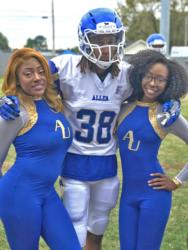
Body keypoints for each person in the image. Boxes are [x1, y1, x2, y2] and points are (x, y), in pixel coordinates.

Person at [0, 8, 181, 250]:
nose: (107, 47)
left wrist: (173, 99)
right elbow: (34, 73)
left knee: (99, 223)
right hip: (74, 161)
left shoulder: (127, 74)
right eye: (99, 40)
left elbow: (154, 88)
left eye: (112, 40)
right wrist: (8, 96)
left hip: (106, 161)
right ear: (85, 40)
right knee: (74, 223)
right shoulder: (66, 66)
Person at [0, 48, 81, 250]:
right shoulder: (14, 112)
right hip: (19, 195)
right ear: (17, 79)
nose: (37, 78)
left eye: (41, 71)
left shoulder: (54, 103)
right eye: (28, 74)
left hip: (47, 193)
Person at [117, 49, 188, 250]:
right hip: (128, 195)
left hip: (154, 195)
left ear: (169, 83)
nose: (153, 83)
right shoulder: (123, 107)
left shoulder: (166, 114)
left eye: (160, 79)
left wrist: (176, 181)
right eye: (149, 76)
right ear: (140, 75)